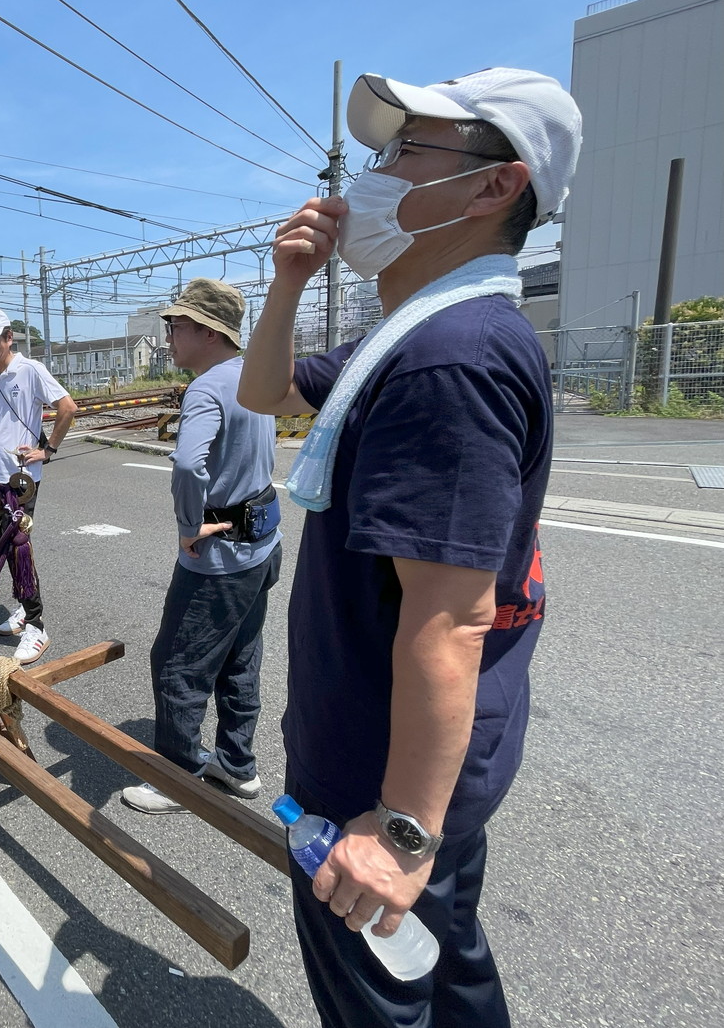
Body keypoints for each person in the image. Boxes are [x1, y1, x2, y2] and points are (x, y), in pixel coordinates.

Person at [237, 68, 581, 1027]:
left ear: (494, 185)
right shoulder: (411, 334)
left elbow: (453, 619)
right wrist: (289, 282)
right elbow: (265, 391)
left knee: (381, 1002)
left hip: (381, 782)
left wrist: (397, 834)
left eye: (406, 149)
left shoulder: (450, 355)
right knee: (451, 970)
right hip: (421, 770)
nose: (375, 174)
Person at [119, 280, 281, 814]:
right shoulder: (254, 377)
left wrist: (189, 524)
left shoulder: (207, 388)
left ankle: (177, 778)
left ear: (209, 332)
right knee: (241, 655)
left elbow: (189, 464)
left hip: (219, 557)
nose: (168, 337)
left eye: (175, 326)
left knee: (178, 663)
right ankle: (236, 764)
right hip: (262, 543)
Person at [0, 307, 77, 663]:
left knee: (17, 547)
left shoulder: (30, 369)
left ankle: (36, 626)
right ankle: (22, 606)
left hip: (21, 480)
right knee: (6, 546)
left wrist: (47, 451)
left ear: (8, 337)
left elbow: (67, 407)